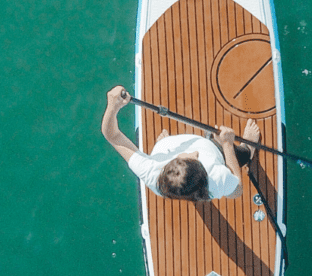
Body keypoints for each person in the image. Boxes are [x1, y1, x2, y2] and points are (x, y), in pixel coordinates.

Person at [101, 85, 261, 202]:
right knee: (242, 155)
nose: (195, 152)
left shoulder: (150, 172)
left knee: (167, 154)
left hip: (175, 162)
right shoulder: (216, 179)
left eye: (179, 158)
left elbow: (113, 136)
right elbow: (237, 190)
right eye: (195, 159)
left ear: (168, 166)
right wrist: (226, 144)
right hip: (217, 151)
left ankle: (186, 186)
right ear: (204, 175)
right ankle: (248, 150)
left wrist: (112, 107)